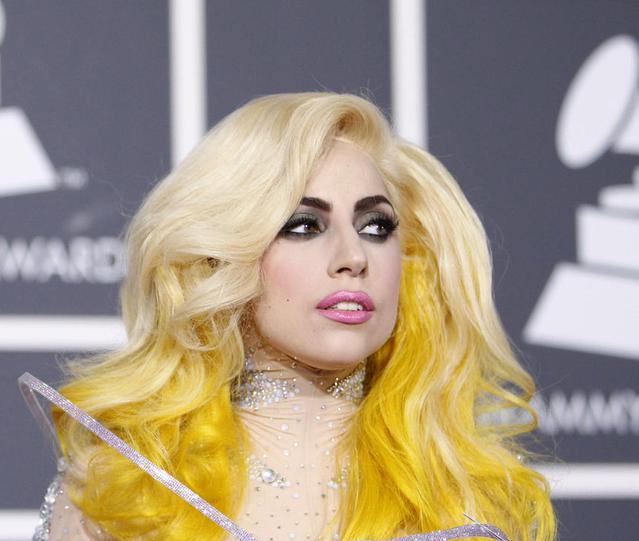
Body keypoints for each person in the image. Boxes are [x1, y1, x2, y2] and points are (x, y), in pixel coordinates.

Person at [29, 92, 556, 541]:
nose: (353, 256)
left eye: (376, 226)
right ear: (222, 255)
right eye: (303, 226)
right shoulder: (126, 489)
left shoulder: (467, 493)